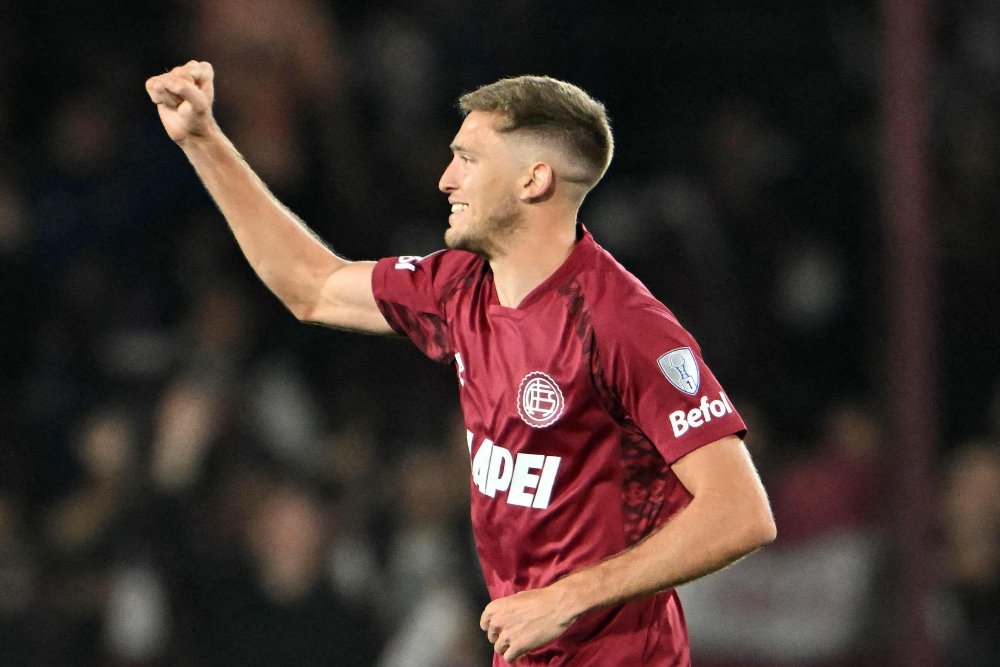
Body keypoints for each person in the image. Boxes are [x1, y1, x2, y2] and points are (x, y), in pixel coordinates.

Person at [145, 60, 776, 666]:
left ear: (534, 180)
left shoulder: (623, 325)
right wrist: (204, 140)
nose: (446, 179)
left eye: (468, 160)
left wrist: (569, 597)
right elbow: (310, 286)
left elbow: (741, 512)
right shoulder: (461, 286)